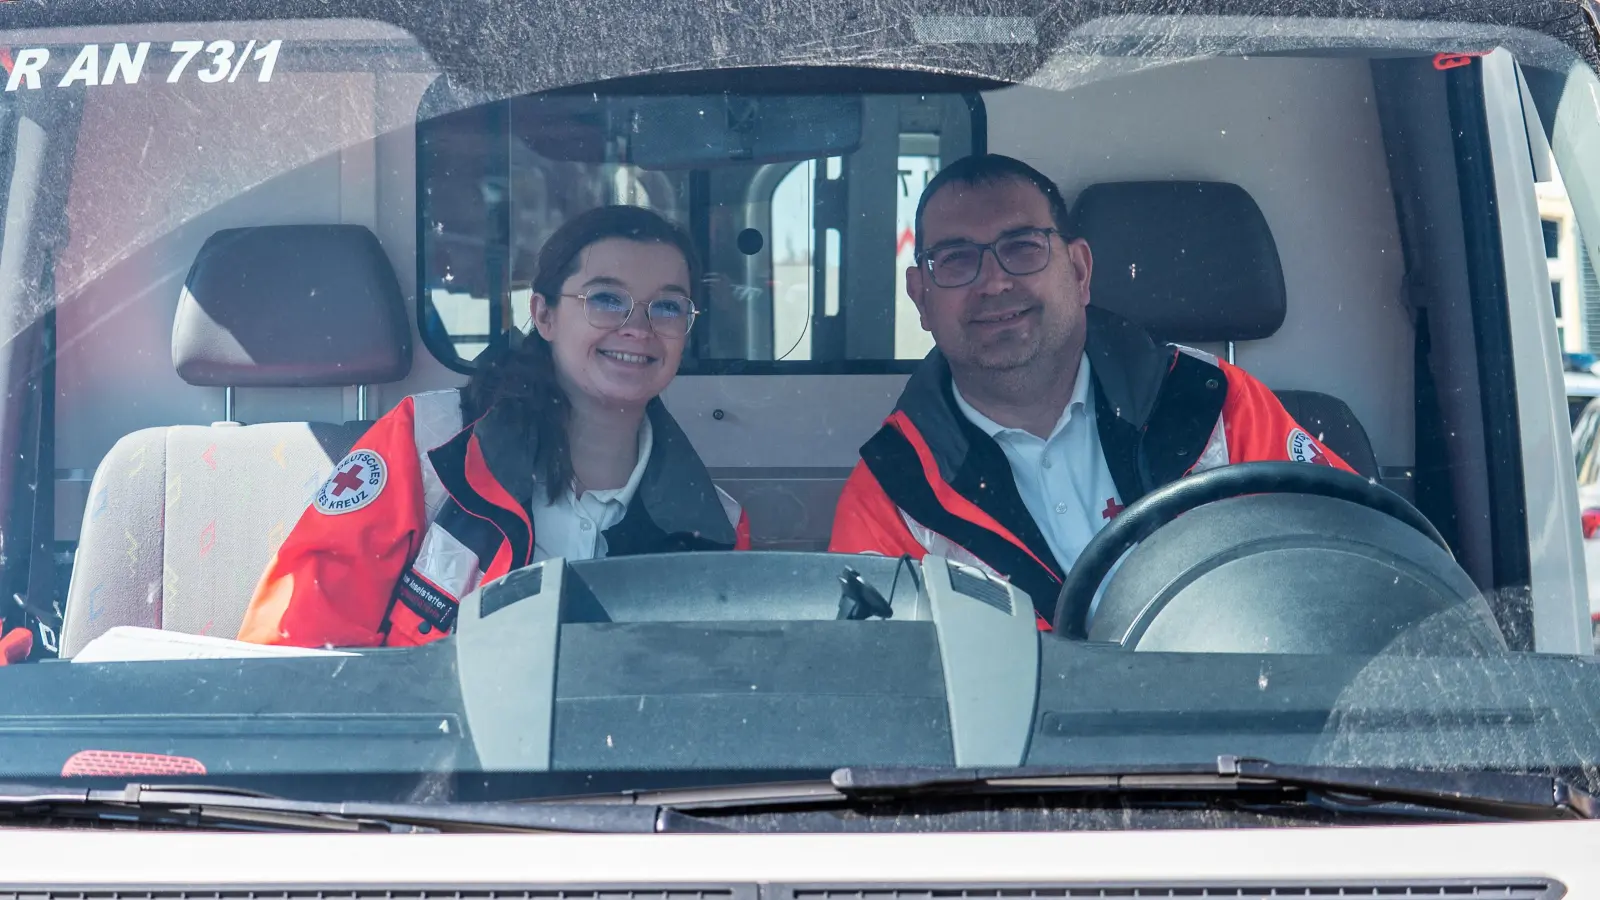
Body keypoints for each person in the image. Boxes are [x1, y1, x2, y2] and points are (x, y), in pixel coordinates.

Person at [828, 154, 1352, 632]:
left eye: (1022, 248)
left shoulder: (1217, 403)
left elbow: (1362, 563)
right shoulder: (891, 490)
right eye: (957, 259)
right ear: (921, 296)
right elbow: (878, 692)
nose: (992, 283)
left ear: (1078, 271)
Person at [239, 205, 749, 648]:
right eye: (605, 299)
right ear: (543, 315)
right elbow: (296, 646)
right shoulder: (427, 445)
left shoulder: (717, 528)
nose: (637, 328)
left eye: (668, 307)